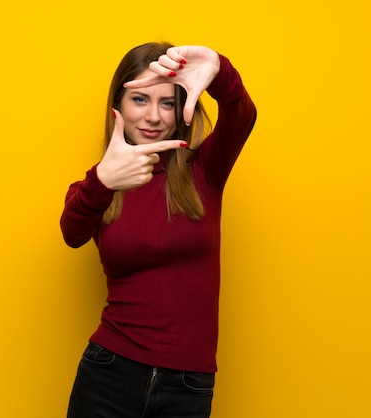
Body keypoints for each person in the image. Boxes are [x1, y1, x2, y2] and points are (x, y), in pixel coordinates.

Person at [60, 41, 257, 418]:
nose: (153, 116)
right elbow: (71, 233)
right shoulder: (101, 183)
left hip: (187, 385)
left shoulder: (205, 169)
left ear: (181, 110)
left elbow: (242, 115)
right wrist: (103, 181)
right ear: (117, 107)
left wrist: (218, 68)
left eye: (167, 103)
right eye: (140, 100)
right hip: (108, 371)